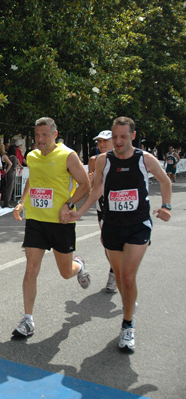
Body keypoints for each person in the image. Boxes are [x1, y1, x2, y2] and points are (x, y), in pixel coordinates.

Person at [68, 117, 172, 351]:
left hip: (138, 225)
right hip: (112, 226)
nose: (118, 141)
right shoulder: (104, 160)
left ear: (133, 136)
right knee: (121, 276)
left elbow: (165, 181)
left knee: (126, 276)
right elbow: (96, 192)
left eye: (123, 136)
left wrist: (166, 206)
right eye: (115, 136)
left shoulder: (145, 159)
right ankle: (128, 303)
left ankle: (127, 325)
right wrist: (78, 211)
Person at [11, 117, 91, 338]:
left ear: (55, 135)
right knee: (30, 269)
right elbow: (32, 180)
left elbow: (85, 185)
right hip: (36, 221)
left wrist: (69, 204)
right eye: (37, 135)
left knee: (65, 273)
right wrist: (22, 201)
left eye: (45, 135)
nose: (40, 139)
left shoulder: (68, 155)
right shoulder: (32, 156)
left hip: (61, 223)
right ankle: (27, 320)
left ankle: (79, 266)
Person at [88, 130, 116, 291]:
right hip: (102, 205)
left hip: (121, 205)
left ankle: (118, 272)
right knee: (107, 241)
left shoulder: (125, 158)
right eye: (99, 141)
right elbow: (90, 185)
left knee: (122, 243)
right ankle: (114, 272)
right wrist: (89, 180)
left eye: (105, 141)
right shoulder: (95, 160)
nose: (102, 144)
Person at [0, 144, 13, 209]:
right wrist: (6, 171)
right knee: (0, 189)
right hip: (2, 173)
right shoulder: (4, 156)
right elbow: (10, 164)